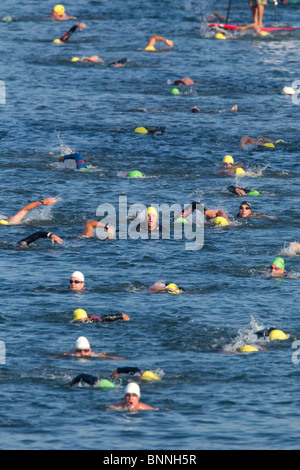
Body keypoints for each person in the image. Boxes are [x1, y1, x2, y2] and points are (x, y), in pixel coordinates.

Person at [54, 336, 124, 360]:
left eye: (85, 350)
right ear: (74, 350)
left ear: (90, 350)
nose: (82, 353)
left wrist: (118, 359)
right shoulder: (69, 354)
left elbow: (106, 356)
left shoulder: (93, 355)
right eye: (79, 351)